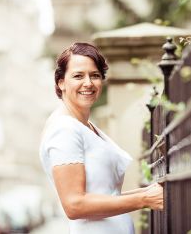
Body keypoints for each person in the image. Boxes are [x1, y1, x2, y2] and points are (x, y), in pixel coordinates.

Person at [40, 43, 164, 233]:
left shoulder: (85, 126)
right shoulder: (63, 129)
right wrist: (143, 200)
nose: (88, 83)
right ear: (61, 82)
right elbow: (74, 205)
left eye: (95, 75)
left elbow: (106, 195)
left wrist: (146, 192)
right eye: (78, 75)